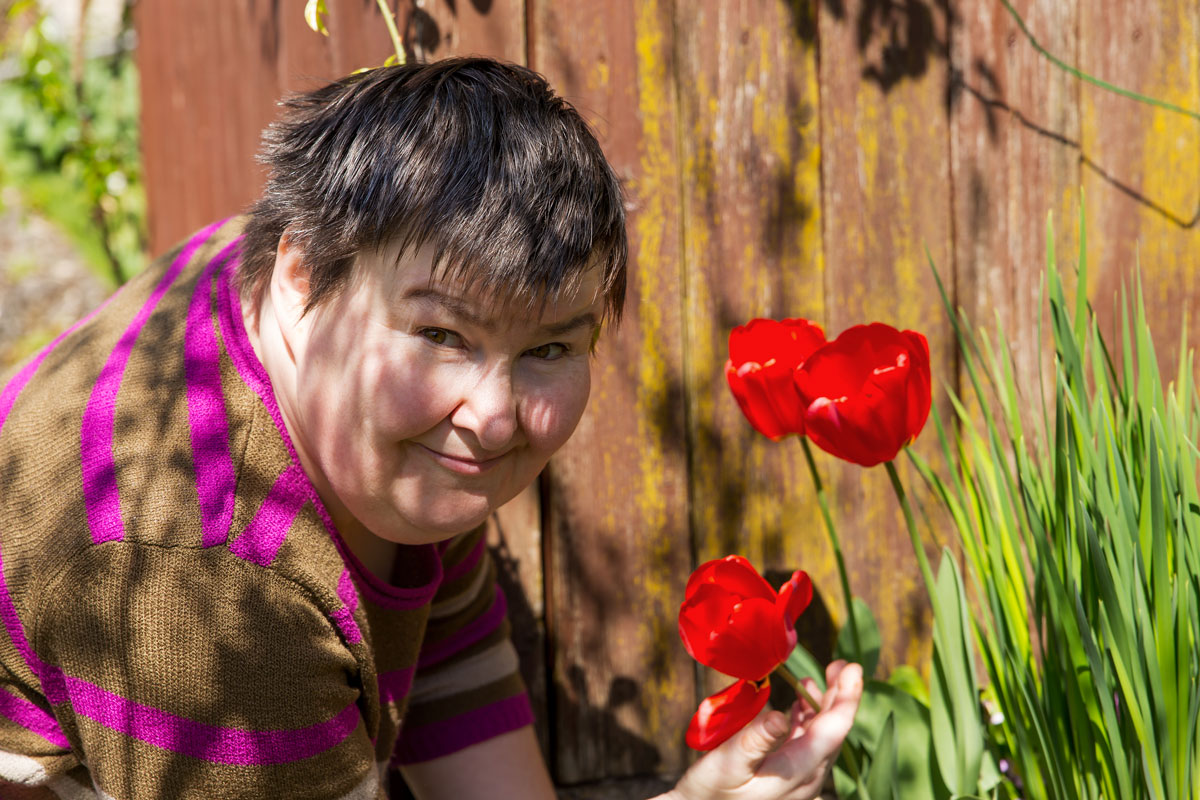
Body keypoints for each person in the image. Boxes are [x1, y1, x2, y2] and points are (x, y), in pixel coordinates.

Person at [0, 57, 861, 799]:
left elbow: (438, 622)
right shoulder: (210, 595)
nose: (491, 419)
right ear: (304, 276)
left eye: (550, 346)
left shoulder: (287, 302)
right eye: (443, 335)